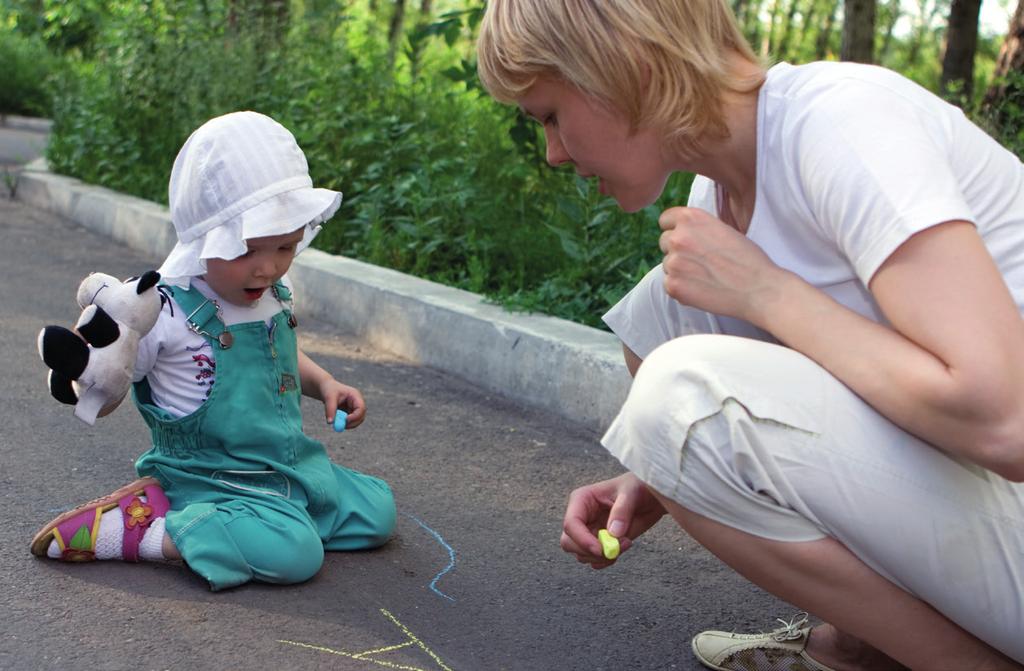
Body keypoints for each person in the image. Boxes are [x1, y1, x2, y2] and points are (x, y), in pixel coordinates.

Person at [477, 1, 1024, 670]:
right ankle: (861, 647)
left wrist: (768, 293)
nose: (554, 153)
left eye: (552, 116)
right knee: (660, 322)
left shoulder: (840, 122)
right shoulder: (722, 196)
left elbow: (1009, 423)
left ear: (624, 65)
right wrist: (657, 476)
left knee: (678, 396)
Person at [30, 111, 396, 591]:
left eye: (285, 247)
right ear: (205, 236)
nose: (268, 268)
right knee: (297, 555)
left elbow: (279, 357)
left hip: (284, 467)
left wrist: (324, 383)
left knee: (378, 510)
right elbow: (114, 368)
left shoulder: (268, 297)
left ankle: (261, 522)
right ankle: (143, 528)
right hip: (209, 476)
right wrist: (87, 363)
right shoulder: (167, 311)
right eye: (248, 251)